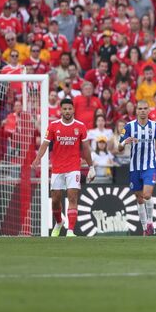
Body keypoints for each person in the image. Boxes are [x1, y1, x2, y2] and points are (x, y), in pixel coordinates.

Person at [31, 98, 95, 237]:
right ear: (61, 110)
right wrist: (37, 158)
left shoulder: (80, 126)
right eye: (64, 109)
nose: (67, 111)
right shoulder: (53, 126)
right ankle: (59, 222)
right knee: (55, 200)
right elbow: (45, 144)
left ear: (73, 110)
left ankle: (70, 230)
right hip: (57, 168)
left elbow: (86, 148)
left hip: (73, 167)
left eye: (69, 109)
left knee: (72, 197)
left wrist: (91, 167)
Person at [117, 99, 156, 236]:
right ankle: (145, 228)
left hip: (150, 165)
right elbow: (119, 147)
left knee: (147, 194)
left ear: (149, 110)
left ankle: (149, 222)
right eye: (140, 109)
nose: (142, 111)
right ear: (136, 111)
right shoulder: (129, 127)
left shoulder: (155, 126)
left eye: (145, 109)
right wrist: (125, 141)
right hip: (135, 167)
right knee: (139, 198)